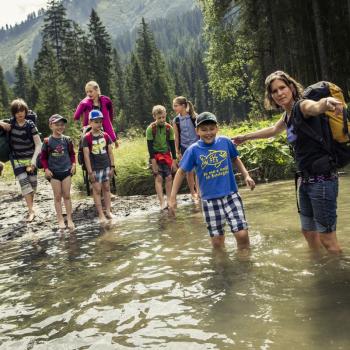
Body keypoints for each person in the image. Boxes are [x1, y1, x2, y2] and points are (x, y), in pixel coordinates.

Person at [233, 70, 344, 254]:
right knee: (308, 232)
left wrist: (327, 103)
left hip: (323, 181)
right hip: (305, 181)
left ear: (291, 87)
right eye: (274, 91)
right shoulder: (287, 116)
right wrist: (244, 137)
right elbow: (273, 130)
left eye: (282, 88)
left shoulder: (301, 107)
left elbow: (314, 106)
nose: (279, 93)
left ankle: (339, 276)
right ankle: (319, 268)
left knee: (327, 238)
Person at [169, 112, 255, 250]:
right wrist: (172, 198)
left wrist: (246, 175)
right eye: (203, 130)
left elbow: (235, 159)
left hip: (231, 195)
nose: (208, 133)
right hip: (209, 201)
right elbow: (181, 172)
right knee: (217, 242)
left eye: (211, 129)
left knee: (242, 234)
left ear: (217, 128)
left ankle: (244, 266)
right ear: (197, 131)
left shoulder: (225, 142)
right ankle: (221, 269)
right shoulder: (193, 150)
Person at [0, 99, 41, 222]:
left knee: (33, 185)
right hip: (17, 159)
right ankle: (31, 210)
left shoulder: (30, 125)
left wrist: (34, 161)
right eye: (17, 111)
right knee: (25, 185)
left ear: (25, 111)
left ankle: (32, 206)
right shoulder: (11, 123)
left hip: (30, 159)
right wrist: (2, 123)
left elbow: (38, 144)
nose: (20, 113)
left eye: (22, 110)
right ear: (13, 113)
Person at [40, 114, 76, 230]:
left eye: (62, 125)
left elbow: (72, 154)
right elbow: (43, 158)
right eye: (57, 125)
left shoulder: (67, 140)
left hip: (66, 171)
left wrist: (74, 164)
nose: (60, 127)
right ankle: (60, 219)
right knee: (57, 197)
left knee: (67, 195)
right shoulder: (47, 142)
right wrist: (46, 169)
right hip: (54, 173)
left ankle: (69, 219)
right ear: (51, 126)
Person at [82, 110, 115, 224]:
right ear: (90, 122)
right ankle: (100, 213)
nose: (99, 124)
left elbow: (110, 152)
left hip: (106, 166)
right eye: (96, 122)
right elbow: (86, 156)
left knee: (106, 188)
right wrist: (90, 172)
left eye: (100, 122)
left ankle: (108, 211)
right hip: (95, 169)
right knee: (97, 190)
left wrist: (112, 167)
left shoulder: (106, 135)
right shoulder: (86, 138)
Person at [146, 105, 177, 210]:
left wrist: (174, 160)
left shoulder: (169, 128)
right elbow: (150, 147)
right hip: (155, 155)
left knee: (169, 177)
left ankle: (169, 200)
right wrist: (153, 162)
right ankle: (161, 202)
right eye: (159, 118)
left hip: (167, 155)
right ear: (154, 117)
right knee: (158, 177)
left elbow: (172, 145)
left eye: (163, 117)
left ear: (165, 115)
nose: (162, 120)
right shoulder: (150, 129)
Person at [74, 81, 118, 146]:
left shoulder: (106, 101)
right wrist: (82, 104)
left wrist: (114, 139)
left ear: (97, 90)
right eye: (87, 92)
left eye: (90, 91)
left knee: (105, 153)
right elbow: (76, 116)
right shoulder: (84, 103)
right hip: (90, 133)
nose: (88, 94)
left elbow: (109, 120)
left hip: (104, 133)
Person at [172, 96, 199, 200]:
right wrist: (177, 151)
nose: (174, 108)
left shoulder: (194, 117)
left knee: (198, 169)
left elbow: (199, 133)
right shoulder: (176, 120)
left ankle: (199, 191)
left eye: (176, 106)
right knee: (189, 171)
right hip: (184, 147)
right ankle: (193, 193)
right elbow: (177, 137)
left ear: (183, 106)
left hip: (196, 145)